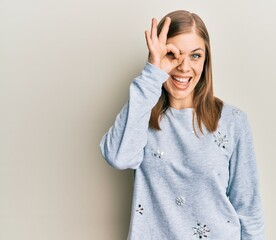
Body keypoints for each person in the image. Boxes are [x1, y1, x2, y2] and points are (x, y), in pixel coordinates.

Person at [100, 10, 265, 239]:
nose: (184, 67)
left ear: (206, 60)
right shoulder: (141, 114)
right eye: (173, 54)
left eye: (195, 55)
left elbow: (249, 210)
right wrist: (152, 74)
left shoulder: (233, 121)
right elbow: (118, 157)